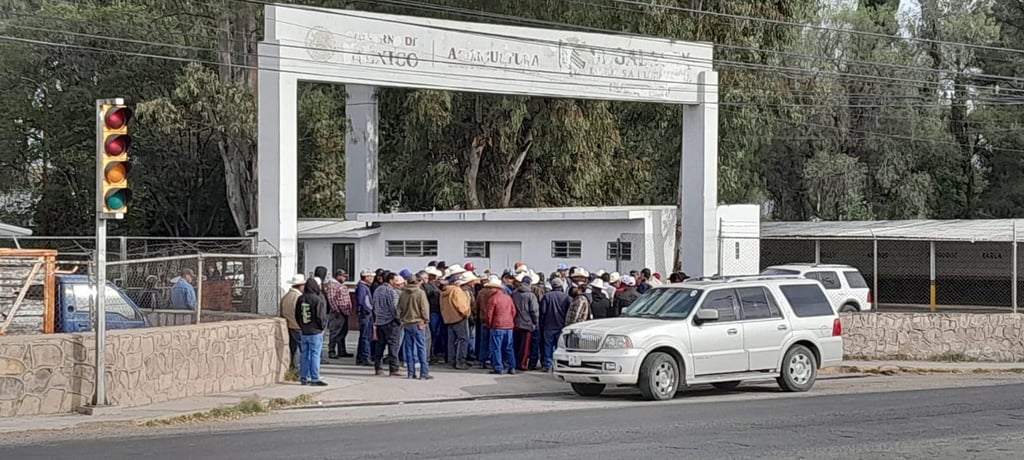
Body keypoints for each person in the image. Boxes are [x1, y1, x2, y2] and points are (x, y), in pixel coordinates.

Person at [399, 274, 432, 380]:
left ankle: (410, 372)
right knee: (421, 347)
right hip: (418, 323)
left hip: (407, 323)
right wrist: (426, 320)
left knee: (408, 348)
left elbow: (399, 308)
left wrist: (402, 319)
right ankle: (424, 373)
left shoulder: (403, 293)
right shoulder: (420, 293)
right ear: (416, 282)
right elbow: (424, 308)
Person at [295, 278, 328, 386]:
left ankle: (304, 377)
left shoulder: (301, 299)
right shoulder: (317, 299)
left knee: (304, 354)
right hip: (315, 331)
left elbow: (297, 315)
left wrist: (302, 326)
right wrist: (322, 327)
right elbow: (320, 316)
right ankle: (315, 378)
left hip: (304, 331)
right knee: (315, 354)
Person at [372, 272, 403, 377]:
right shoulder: (391, 292)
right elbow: (394, 308)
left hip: (380, 321)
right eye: (395, 280)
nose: (397, 282)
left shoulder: (377, 290)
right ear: (390, 280)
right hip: (390, 321)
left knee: (380, 346)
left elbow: (374, 305)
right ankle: (394, 368)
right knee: (393, 345)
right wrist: (399, 320)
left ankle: (378, 368)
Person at [442, 272, 475, 369]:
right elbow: (460, 305)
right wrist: (466, 313)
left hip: (448, 318)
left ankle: (451, 360)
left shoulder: (444, 291)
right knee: (463, 339)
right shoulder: (456, 290)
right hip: (459, 318)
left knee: (451, 340)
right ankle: (460, 361)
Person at [486, 277, 517, 375]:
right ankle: (512, 367)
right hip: (509, 326)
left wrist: (489, 324)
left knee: (496, 348)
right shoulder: (508, 298)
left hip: (497, 326)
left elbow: (489, 314)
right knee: (509, 347)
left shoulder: (493, 299)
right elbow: (513, 311)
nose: (490, 290)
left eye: (491, 288)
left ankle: (498, 367)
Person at [539, 278, 571, 372]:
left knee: (547, 346)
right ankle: (558, 364)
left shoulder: (547, 296)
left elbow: (543, 312)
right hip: (561, 326)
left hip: (548, 326)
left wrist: (541, 323)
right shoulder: (566, 297)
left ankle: (547, 365)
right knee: (559, 347)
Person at [512, 272, 539, 371]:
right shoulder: (531, 295)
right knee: (525, 346)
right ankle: (522, 364)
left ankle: (514, 362)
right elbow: (534, 311)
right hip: (527, 324)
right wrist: (536, 322)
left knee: (516, 344)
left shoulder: (514, 293)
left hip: (515, 323)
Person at [323, 269, 353, 359]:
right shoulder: (333, 285)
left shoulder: (340, 285)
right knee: (335, 332)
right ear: (338, 276)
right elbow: (331, 298)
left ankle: (342, 350)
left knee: (343, 332)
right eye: (343, 276)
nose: (345, 278)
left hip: (344, 312)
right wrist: (336, 310)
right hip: (337, 313)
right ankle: (331, 351)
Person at [279, 274, 306, 369]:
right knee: (302, 349)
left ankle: (292, 367)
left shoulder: (286, 296)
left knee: (293, 348)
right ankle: (300, 368)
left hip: (289, 325)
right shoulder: (298, 297)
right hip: (298, 326)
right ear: (301, 286)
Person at [355, 269, 375, 366]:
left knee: (364, 336)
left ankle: (360, 357)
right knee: (366, 336)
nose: (372, 278)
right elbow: (362, 301)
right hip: (365, 314)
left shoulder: (364, 286)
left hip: (365, 314)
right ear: (365, 277)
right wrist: (369, 310)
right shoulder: (363, 287)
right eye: (370, 276)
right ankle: (365, 357)